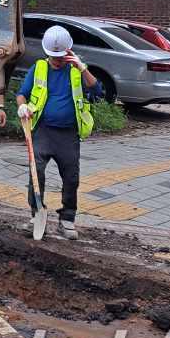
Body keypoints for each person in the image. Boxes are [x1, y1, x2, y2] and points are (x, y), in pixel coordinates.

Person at [16, 24, 102, 239]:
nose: (57, 60)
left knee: (71, 177)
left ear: (68, 52)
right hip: (43, 131)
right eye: (53, 57)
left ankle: (67, 219)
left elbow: (97, 92)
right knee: (36, 173)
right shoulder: (39, 68)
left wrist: (82, 68)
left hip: (68, 134)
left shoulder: (76, 71)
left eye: (61, 57)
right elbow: (22, 93)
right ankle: (37, 214)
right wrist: (22, 106)